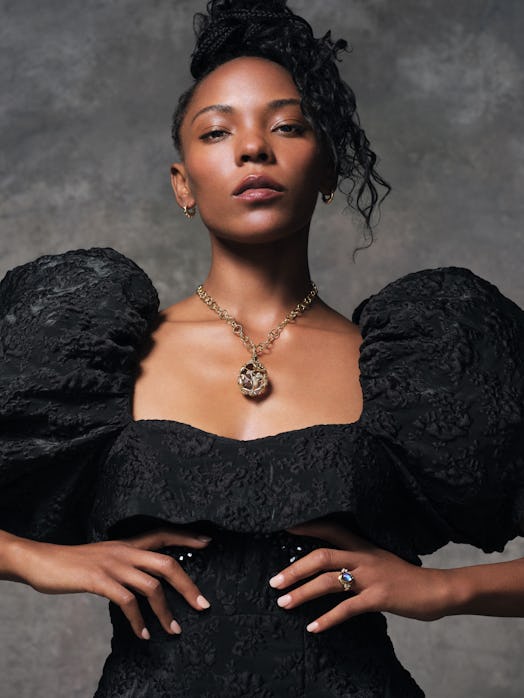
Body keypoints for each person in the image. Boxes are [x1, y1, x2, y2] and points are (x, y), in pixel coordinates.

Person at [1, 0, 523, 695]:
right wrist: (37, 561)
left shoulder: (421, 361)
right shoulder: (84, 352)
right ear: (182, 185)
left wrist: (440, 591)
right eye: (217, 133)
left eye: (287, 126)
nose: (253, 148)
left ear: (328, 169)